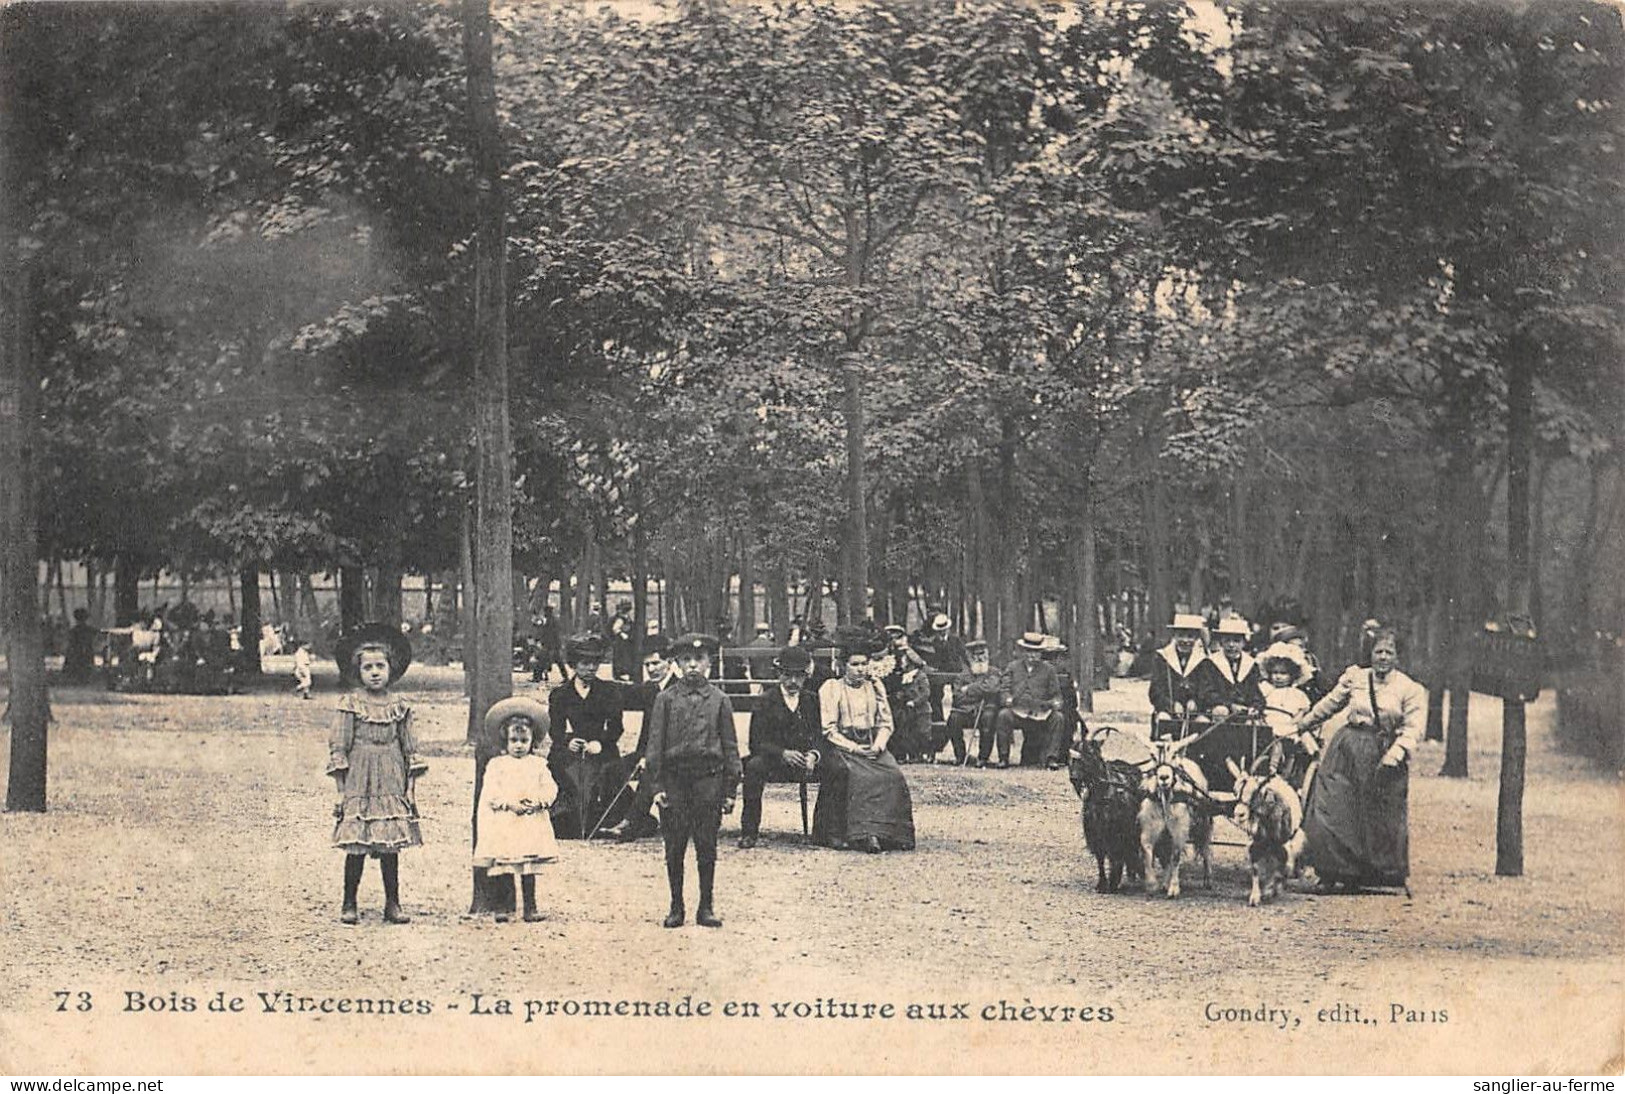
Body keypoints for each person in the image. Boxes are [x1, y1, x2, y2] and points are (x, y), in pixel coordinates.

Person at [1296, 628, 1425, 893]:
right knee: (1331, 805)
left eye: (1389, 652)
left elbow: (1414, 727)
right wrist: (1302, 723)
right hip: (1347, 747)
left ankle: (1368, 874)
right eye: (1378, 651)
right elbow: (1331, 703)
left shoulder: (1409, 688)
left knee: (1375, 815)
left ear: (1398, 657)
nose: (1383, 658)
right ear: (1370, 653)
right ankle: (1331, 871)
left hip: (1382, 754)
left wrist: (1396, 753)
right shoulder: (1355, 677)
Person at [643, 633, 741, 928]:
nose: (693, 666)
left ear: (710, 662)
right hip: (675, 781)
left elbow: (731, 747)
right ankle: (676, 906)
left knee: (706, 845)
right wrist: (657, 786)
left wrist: (730, 790)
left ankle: (706, 906)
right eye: (686, 660)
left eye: (699, 659)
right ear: (676, 664)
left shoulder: (720, 700)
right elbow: (654, 746)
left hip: (708, 781)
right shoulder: (665, 699)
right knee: (674, 846)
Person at [328, 624, 423, 925]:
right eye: (367, 667)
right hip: (359, 775)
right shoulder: (350, 704)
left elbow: (410, 748)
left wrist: (409, 789)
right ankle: (349, 901)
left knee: (389, 842)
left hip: (391, 774)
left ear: (390, 669)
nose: (374, 673)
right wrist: (341, 792)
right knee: (357, 841)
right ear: (358, 672)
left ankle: (392, 903)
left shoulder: (400, 706)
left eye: (380, 666)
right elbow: (339, 748)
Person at [812, 635, 916, 853]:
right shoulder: (832, 688)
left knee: (892, 774)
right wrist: (854, 747)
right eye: (854, 664)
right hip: (844, 745)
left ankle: (891, 833)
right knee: (860, 776)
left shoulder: (875, 687)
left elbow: (886, 722)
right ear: (843, 666)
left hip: (872, 743)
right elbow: (828, 729)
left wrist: (879, 743)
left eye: (864, 664)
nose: (860, 669)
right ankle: (864, 834)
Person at [473, 698, 558, 923]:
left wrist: (539, 801)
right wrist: (508, 804)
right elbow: (491, 791)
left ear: (532, 741)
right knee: (505, 864)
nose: (519, 745)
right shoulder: (497, 765)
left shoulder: (538, 765)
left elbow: (550, 787)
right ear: (505, 740)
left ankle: (530, 907)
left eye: (524, 740)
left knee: (528, 865)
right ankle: (503, 907)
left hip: (529, 821)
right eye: (514, 740)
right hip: (506, 821)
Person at [738, 646, 823, 849]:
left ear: (806, 676)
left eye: (799, 676)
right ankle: (749, 832)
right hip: (773, 761)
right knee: (753, 767)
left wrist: (813, 754)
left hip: (806, 762)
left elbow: (820, 735)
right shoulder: (765, 700)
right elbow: (756, 742)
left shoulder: (812, 700)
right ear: (779, 674)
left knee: (839, 769)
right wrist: (782, 753)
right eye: (787, 675)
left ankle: (826, 832)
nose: (793, 682)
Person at [546, 634, 628, 840]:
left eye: (595, 663)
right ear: (574, 664)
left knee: (608, 774)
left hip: (602, 747)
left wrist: (600, 743)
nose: (591, 668)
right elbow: (554, 729)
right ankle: (569, 813)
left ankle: (602, 818)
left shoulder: (609, 691)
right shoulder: (560, 694)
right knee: (561, 768)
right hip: (572, 748)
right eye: (585, 663)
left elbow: (617, 727)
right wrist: (568, 741)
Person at [604, 642, 677, 843]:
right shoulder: (650, 689)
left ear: (670, 662)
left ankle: (630, 822)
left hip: (672, 755)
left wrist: (650, 757)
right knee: (612, 770)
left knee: (649, 772)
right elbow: (624, 694)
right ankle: (639, 818)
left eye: (656, 663)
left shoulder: (678, 689)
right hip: (646, 753)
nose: (652, 669)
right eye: (648, 666)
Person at [994, 632, 1064, 768]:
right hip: (1018, 710)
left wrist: (1055, 703)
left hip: (1040, 711)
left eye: (1036, 653)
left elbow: (1057, 695)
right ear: (1023, 652)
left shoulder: (1049, 670)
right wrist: (1007, 698)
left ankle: (1052, 758)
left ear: (1041, 653)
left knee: (1058, 718)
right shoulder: (1013, 667)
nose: (1032, 656)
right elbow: (1004, 689)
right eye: (1029, 652)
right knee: (1003, 715)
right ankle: (1003, 758)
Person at [1256, 644, 1318, 786]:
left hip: (1287, 724)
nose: (1278, 677)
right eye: (1275, 672)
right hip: (1267, 721)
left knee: (1288, 741)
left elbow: (1301, 712)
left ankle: (1281, 771)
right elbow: (1258, 706)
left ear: (1292, 676)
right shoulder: (1265, 689)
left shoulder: (1297, 694)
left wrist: (1295, 723)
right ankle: (1268, 769)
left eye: (1283, 673)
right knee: (1269, 738)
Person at [880, 625, 933, 762]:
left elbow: (919, 665)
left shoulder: (909, 654)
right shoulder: (886, 653)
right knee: (901, 724)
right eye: (891, 637)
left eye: (897, 636)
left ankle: (916, 753)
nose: (894, 640)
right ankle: (898, 752)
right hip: (895, 693)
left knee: (914, 728)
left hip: (910, 701)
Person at [1194, 617, 1263, 718]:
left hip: (1243, 711)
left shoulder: (1251, 665)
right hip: (1216, 710)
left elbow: (1256, 692)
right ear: (1221, 642)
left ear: (1243, 643)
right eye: (1227, 640)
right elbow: (1206, 692)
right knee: (1221, 711)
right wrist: (1230, 705)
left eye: (1236, 641)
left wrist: (1255, 706)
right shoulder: (1210, 663)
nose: (1231, 645)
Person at [948, 639, 1002, 767]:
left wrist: (969, 689)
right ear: (969, 657)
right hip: (966, 711)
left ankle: (983, 757)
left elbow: (993, 688)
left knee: (988, 718)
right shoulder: (962, 676)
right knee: (953, 719)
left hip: (986, 709)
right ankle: (960, 756)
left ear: (987, 654)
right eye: (975, 655)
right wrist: (981, 690)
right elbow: (958, 697)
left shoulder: (994, 672)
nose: (979, 658)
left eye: (982, 654)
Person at [1148, 614, 1208, 729]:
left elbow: (1206, 688)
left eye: (1190, 636)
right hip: (1168, 709)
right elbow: (1155, 690)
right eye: (1181, 635)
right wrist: (1171, 705)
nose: (1185, 640)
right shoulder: (1163, 658)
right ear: (1174, 635)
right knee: (1163, 719)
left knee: (1203, 722)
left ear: (1196, 638)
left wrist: (1196, 701)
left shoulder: (1203, 660)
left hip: (1194, 712)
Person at [1040, 636, 1084, 770]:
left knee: (1067, 716)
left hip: (1061, 711)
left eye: (1054, 657)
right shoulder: (1036, 673)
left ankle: (1060, 754)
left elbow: (1073, 702)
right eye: (1047, 657)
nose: (1052, 661)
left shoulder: (1065, 674)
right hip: (1038, 710)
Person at [63, 608, 98, 682]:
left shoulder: (73, 631)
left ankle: (77, 676)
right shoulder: (90, 630)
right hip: (84, 652)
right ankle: (83, 677)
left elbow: (70, 643)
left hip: (78, 652)